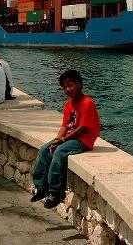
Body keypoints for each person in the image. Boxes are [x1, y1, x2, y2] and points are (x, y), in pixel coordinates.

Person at [30, 70, 100, 209]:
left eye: (70, 85)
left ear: (80, 84)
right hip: (70, 137)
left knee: (60, 152)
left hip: (83, 140)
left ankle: (57, 192)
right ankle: (42, 187)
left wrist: (62, 141)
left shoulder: (87, 103)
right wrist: (57, 140)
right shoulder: (68, 104)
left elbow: (82, 128)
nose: (67, 89)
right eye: (64, 87)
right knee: (45, 150)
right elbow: (64, 125)